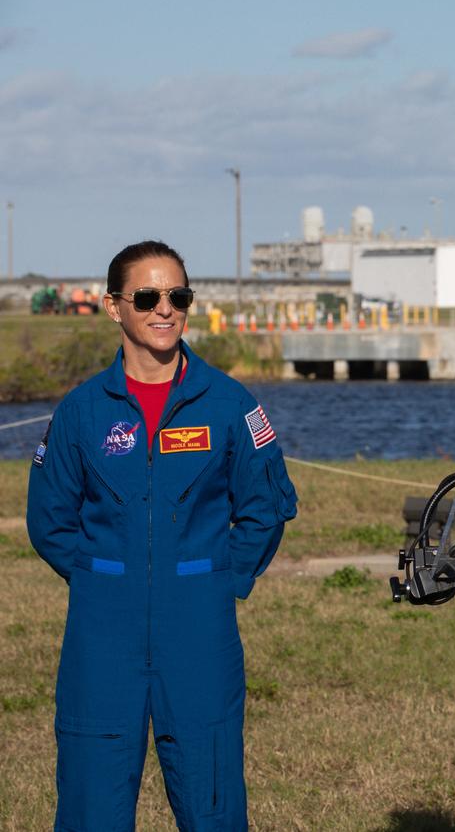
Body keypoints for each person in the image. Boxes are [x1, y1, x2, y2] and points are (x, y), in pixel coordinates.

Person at [27, 240, 298, 831]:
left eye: (178, 295)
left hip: (199, 631)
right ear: (112, 307)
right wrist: (103, 575)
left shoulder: (228, 403)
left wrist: (217, 576)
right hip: (103, 636)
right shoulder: (81, 412)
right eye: (146, 296)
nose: (164, 309)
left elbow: (267, 506)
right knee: (90, 804)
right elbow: (48, 519)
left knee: (213, 805)